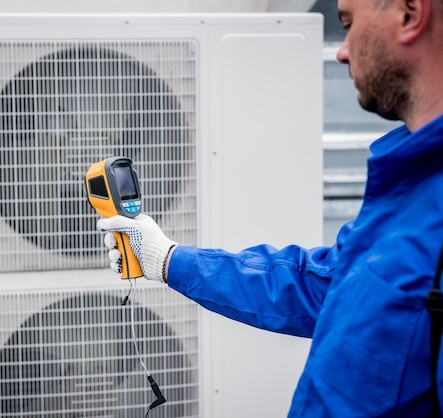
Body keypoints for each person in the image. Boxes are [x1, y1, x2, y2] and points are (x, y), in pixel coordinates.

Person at [97, 0, 443, 416]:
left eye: (348, 24)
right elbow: (318, 286)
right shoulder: (410, 187)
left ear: (409, 13)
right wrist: (168, 259)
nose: (341, 49)